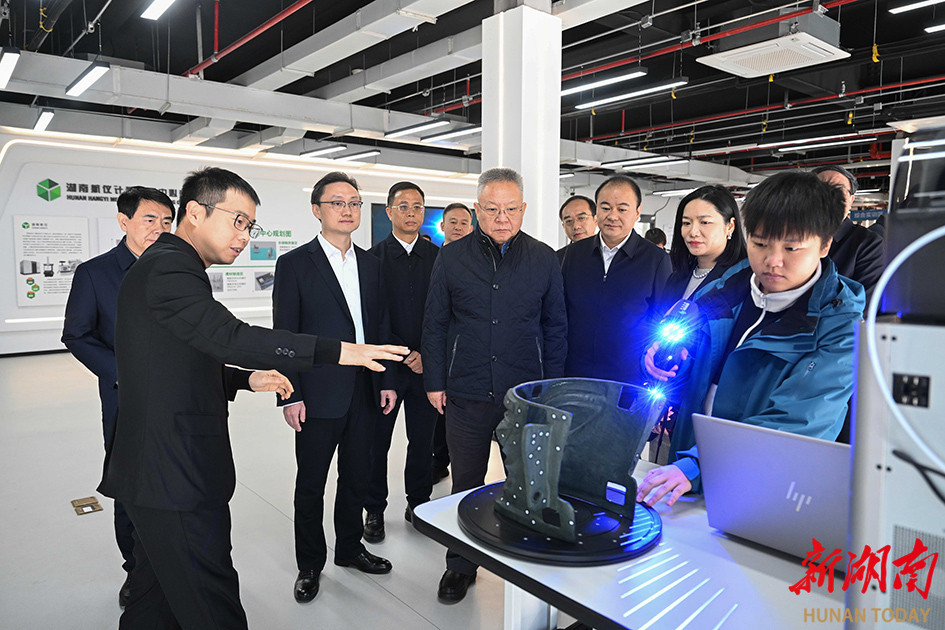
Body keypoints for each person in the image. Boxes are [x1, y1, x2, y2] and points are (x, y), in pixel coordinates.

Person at [97, 167, 406, 629]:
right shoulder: (169, 267)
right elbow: (228, 335)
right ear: (195, 213)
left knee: (153, 601)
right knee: (213, 603)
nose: (244, 236)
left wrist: (245, 380)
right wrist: (339, 351)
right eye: (237, 221)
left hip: (158, 473)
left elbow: (173, 362)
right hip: (173, 473)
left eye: (250, 226)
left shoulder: (171, 265)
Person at [636, 171, 865, 508]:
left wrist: (698, 463)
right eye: (760, 244)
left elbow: (798, 423)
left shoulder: (838, 324)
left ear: (824, 245)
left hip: (767, 488)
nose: (772, 261)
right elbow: (695, 369)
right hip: (687, 473)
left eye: (791, 247)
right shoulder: (724, 292)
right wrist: (664, 364)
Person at [422, 167, 567, 603]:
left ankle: (524, 560)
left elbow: (555, 328)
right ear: (476, 209)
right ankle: (460, 564)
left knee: (527, 482)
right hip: (465, 390)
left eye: (510, 209)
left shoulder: (544, 258)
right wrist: (434, 381)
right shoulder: (451, 257)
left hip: (524, 395)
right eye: (491, 209)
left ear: (523, 209)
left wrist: (550, 390)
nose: (501, 218)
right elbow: (435, 323)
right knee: (465, 481)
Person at [273, 171, 399, 605]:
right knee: (311, 483)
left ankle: (349, 547)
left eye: (354, 203)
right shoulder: (294, 264)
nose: (347, 210)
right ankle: (310, 563)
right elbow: (285, 334)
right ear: (317, 210)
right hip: (317, 392)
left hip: (366, 387)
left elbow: (381, 325)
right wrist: (290, 394)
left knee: (357, 475)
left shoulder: (372, 264)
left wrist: (386, 379)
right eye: (337, 203)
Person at [62, 186, 174, 606]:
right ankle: (136, 571)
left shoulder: (179, 269)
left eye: (167, 221)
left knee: (175, 482)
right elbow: (76, 334)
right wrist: (121, 375)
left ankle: (173, 566)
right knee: (131, 488)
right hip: (125, 400)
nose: (160, 229)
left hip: (179, 398)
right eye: (150, 219)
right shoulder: (95, 273)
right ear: (124, 221)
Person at [365, 181, 440, 542]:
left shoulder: (439, 258)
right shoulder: (372, 259)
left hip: (428, 368)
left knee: (422, 441)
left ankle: (419, 504)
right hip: (386, 368)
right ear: (389, 212)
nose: (411, 213)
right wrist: (404, 353)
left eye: (418, 207)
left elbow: (444, 312)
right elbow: (372, 316)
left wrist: (426, 353)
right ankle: (374, 509)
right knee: (376, 442)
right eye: (404, 206)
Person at [560, 175, 670, 385]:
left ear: (637, 212)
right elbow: (561, 310)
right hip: (575, 372)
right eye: (605, 208)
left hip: (628, 377)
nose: (612, 216)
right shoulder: (575, 253)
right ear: (597, 212)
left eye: (622, 209)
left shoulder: (656, 259)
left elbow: (660, 317)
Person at [431, 202, 475, 482]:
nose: (458, 227)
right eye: (453, 222)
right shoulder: (432, 259)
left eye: (463, 223)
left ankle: (447, 458)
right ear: (442, 226)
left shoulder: (476, 264)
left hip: (465, 356)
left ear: (471, 228)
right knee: (434, 417)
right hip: (434, 352)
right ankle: (436, 463)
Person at [662, 185, 747, 307]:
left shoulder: (742, 279)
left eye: (705, 222)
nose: (693, 232)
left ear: (730, 226)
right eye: (686, 223)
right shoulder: (677, 277)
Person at [812, 165, 884, 298]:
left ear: (851, 200)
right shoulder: (790, 236)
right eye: (820, 188)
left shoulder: (868, 244)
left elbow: (865, 303)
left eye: (838, 189)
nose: (829, 195)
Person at [556, 194, 596, 263]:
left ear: (596, 220)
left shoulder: (609, 252)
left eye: (581, 218)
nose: (576, 226)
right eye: (569, 221)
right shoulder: (557, 258)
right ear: (563, 226)